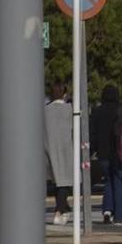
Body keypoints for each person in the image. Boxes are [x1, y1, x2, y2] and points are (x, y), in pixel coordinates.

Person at [89, 84, 122, 225]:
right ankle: (119, 216)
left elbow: (92, 134)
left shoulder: (97, 112)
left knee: (108, 181)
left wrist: (92, 150)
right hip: (120, 153)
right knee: (118, 182)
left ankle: (107, 210)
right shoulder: (121, 110)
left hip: (103, 154)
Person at [43, 84, 74, 224]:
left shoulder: (45, 110)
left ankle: (64, 208)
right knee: (65, 181)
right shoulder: (70, 109)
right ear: (65, 94)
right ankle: (59, 210)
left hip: (49, 148)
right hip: (67, 148)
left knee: (58, 181)